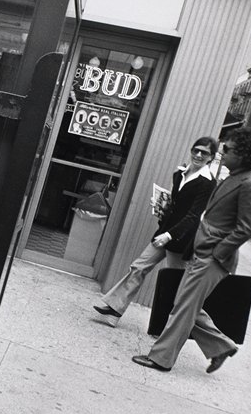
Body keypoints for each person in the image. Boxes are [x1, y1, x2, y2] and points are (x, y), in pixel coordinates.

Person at [132, 126, 251, 374]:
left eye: (227, 149)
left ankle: (161, 358)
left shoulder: (249, 185)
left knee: (183, 308)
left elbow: (246, 228)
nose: (222, 153)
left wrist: (217, 253)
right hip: (202, 253)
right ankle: (221, 346)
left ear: (243, 154)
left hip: (213, 258)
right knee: (185, 304)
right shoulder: (232, 178)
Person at [92, 137, 218, 327]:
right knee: (139, 267)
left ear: (212, 157)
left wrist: (169, 235)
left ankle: (179, 326)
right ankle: (114, 310)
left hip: (181, 239)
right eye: (196, 150)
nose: (199, 155)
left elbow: (193, 215)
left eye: (205, 153)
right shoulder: (180, 173)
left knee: (177, 285)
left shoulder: (207, 183)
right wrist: (161, 206)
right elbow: (176, 205)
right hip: (164, 232)